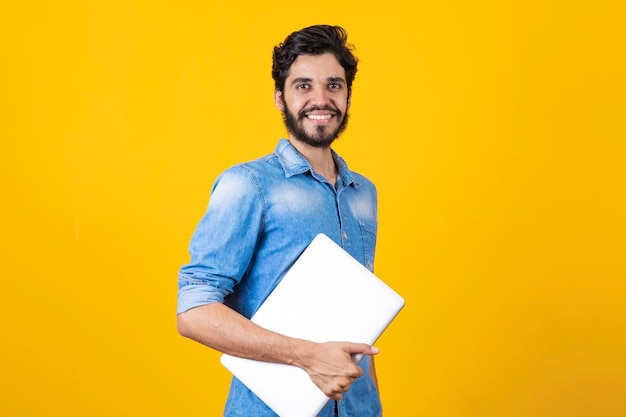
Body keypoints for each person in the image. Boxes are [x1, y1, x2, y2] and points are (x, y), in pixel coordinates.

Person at [177, 24, 382, 417]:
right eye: (303, 85)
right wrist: (306, 356)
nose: (320, 99)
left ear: (348, 95)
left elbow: (362, 315)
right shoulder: (247, 184)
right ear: (279, 97)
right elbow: (194, 311)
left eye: (333, 85)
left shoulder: (364, 195)